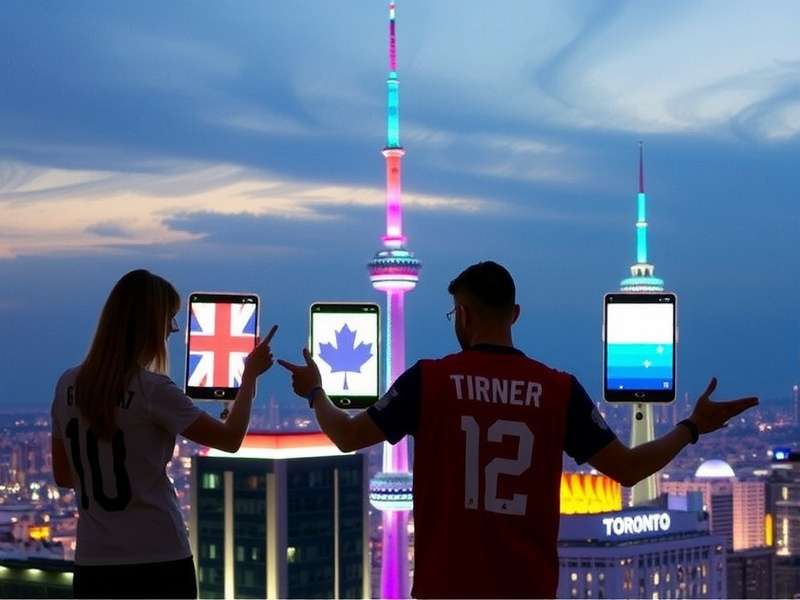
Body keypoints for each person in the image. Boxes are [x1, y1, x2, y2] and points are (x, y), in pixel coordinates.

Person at [279, 261, 758, 599]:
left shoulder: (429, 381)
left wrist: (315, 392)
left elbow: (347, 436)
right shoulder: (558, 390)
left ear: (462, 314)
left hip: (447, 587)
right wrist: (692, 426)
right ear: (515, 314)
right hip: (526, 588)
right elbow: (629, 469)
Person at [50, 269, 277, 599]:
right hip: (159, 556)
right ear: (149, 324)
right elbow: (230, 440)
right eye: (170, 317)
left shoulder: (67, 385)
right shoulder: (152, 389)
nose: (174, 328)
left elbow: (64, 475)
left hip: (93, 562)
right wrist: (249, 377)